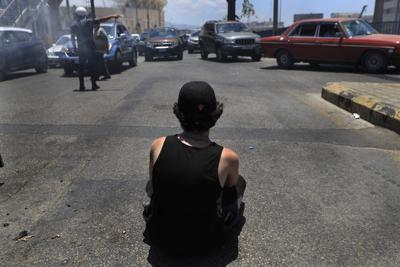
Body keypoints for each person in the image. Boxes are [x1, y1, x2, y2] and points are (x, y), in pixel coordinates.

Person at [144, 81, 246, 256]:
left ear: (179, 114)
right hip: (206, 244)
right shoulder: (228, 157)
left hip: (161, 238)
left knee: (154, 181)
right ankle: (226, 221)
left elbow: (154, 187)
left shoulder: (158, 145)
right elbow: (229, 192)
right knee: (239, 183)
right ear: (215, 115)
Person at [70, 7, 119, 91]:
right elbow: (101, 19)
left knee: (81, 67)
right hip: (90, 47)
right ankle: (93, 85)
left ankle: (82, 86)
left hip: (81, 48)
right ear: (84, 14)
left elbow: (72, 38)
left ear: (77, 15)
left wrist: (75, 48)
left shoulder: (73, 26)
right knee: (92, 66)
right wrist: (112, 16)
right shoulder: (89, 22)